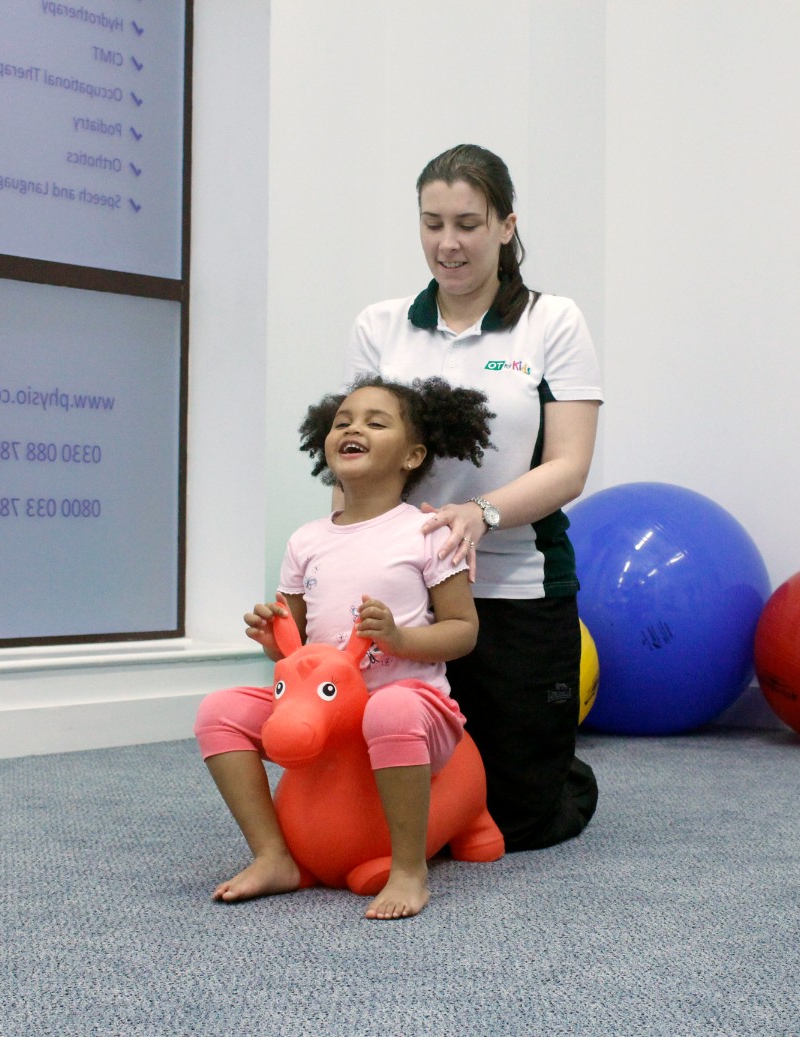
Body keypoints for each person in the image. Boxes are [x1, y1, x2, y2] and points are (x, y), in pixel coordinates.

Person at [344, 143, 602, 852]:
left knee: (518, 820)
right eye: (432, 224)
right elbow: (358, 456)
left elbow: (569, 466)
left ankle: (556, 770)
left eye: (467, 223)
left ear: (505, 227)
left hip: (516, 583)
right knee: (388, 800)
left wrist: (479, 513)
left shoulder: (552, 322)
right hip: (411, 588)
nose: (447, 244)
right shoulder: (382, 325)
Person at [194, 375, 495, 920]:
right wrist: (271, 637)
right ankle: (273, 855)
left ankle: (408, 869)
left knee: (391, 705)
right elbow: (293, 650)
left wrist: (401, 640)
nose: (353, 428)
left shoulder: (426, 532)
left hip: (408, 703)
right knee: (220, 712)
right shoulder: (305, 541)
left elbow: (463, 630)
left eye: (376, 422)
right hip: (326, 711)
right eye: (343, 422)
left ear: (412, 455)